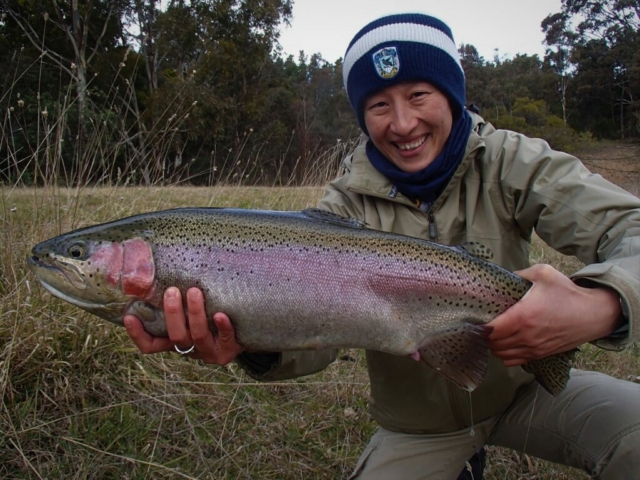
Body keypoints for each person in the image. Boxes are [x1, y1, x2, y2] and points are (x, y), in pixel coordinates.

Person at [124, 13, 640, 480]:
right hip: (419, 427)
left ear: (452, 94)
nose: (402, 123)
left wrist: (604, 304)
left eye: (419, 96)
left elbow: (630, 228)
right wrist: (250, 345)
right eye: (378, 105)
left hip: (524, 390)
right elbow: (315, 344)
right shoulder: (340, 211)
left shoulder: (512, 161)